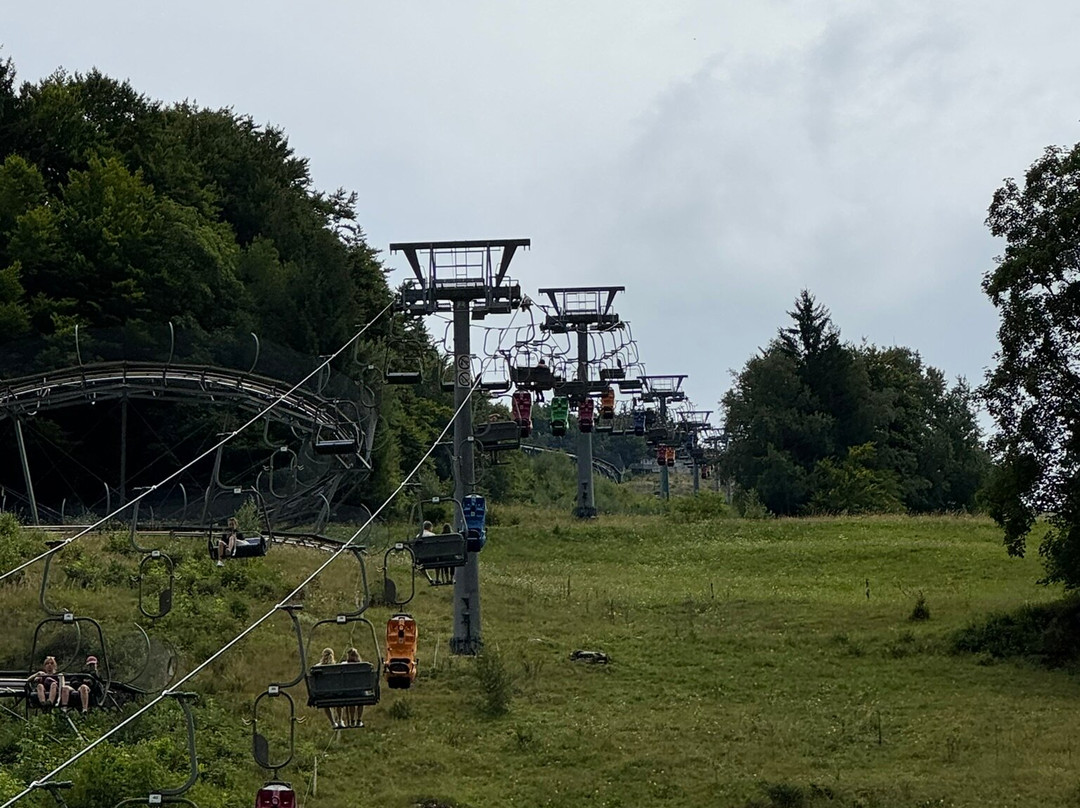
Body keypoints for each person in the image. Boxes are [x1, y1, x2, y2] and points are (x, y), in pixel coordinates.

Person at [317, 648, 342, 729]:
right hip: (336, 693)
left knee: (326, 704)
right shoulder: (337, 667)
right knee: (339, 700)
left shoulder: (317, 667)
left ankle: (333, 722)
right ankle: (340, 720)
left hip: (324, 694)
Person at [343, 647, 365, 728]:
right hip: (360, 692)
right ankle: (359, 720)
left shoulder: (344, 665)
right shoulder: (363, 666)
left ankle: (352, 720)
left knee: (351, 700)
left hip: (348, 692)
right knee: (361, 701)